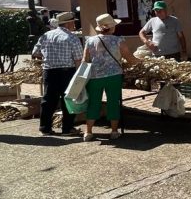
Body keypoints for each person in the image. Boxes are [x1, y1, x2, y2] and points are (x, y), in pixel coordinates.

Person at [82, 13, 138, 141]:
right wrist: (139, 61)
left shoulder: (90, 41)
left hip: (94, 76)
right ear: (112, 27)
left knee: (93, 103)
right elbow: (129, 58)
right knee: (113, 102)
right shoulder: (118, 40)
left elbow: (85, 60)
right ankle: (114, 131)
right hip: (114, 76)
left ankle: (88, 132)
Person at [32, 11, 83, 135]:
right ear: (69, 23)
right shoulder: (72, 37)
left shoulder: (46, 35)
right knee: (68, 99)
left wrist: (48, 56)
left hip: (49, 71)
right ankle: (67, 128)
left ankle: (45, 128)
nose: (74, 24)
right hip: (67, 71)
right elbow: (78, 59)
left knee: (48, 100)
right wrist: (79, 76)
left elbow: (35, 53)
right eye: (73, 22)